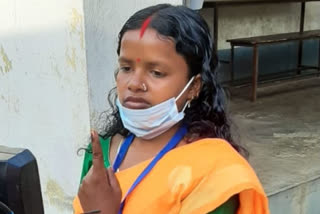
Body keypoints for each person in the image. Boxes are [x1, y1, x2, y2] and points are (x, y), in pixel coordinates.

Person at [73, 4, 269, 214]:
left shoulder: (213, 175)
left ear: (193, 87)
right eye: (126, 68)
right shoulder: (100, 156)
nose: (134, 83)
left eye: (156, 72)